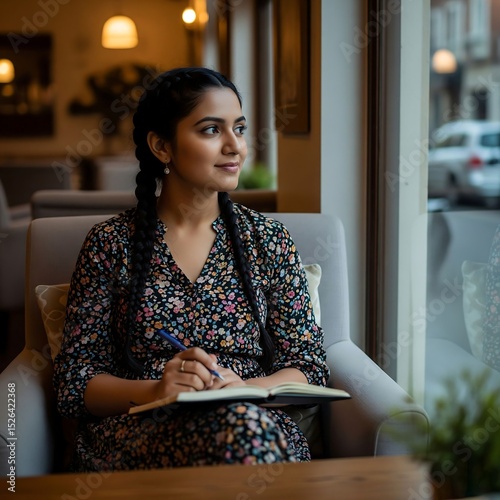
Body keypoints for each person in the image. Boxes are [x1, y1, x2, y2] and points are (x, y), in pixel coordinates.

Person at [53, 66, 329, 472]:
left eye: (240, 127)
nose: (235, 146)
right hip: (144, 430)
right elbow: (74, 382)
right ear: (162, 146)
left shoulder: (269, 240)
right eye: (211, 130)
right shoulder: (109, 243)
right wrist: (158, 390)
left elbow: (309, 364)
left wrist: (245, 388)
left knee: (244, 431)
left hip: (254, 424)